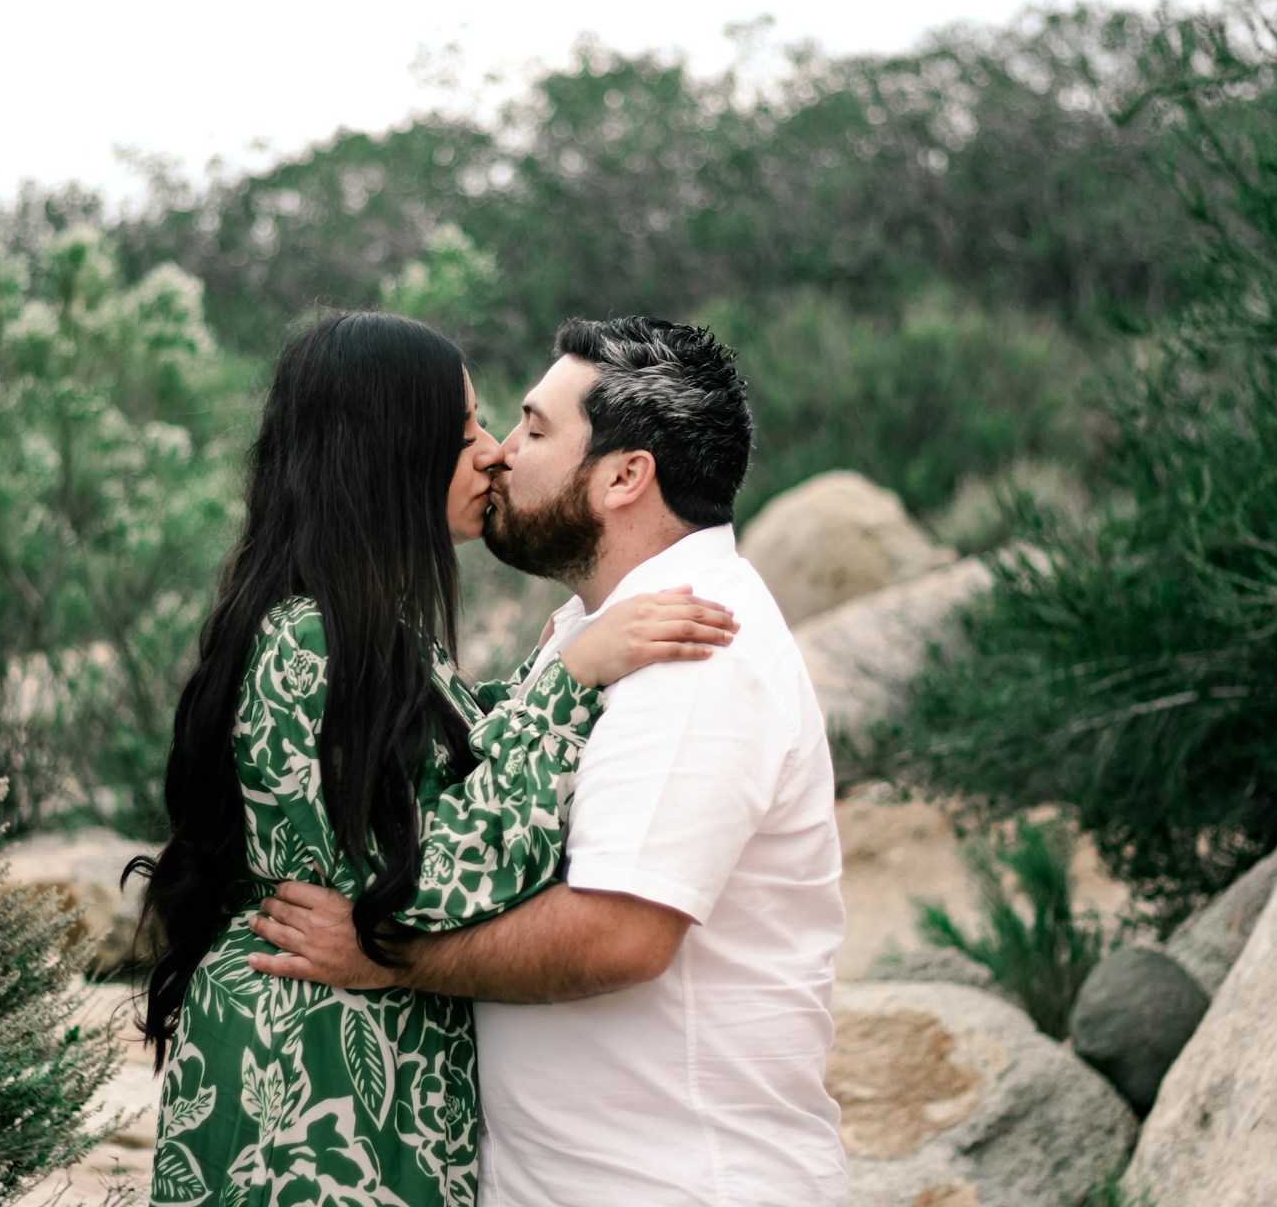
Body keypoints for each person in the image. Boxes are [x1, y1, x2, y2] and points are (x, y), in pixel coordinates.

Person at [127, 311, 741, 1207]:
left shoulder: (368, 632)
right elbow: (425, 880)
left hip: (362, 1057)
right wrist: (568, 679)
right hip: (311, 1075)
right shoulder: (309, 641)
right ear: (388, 460)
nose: (494, 453)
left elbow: (443, 759)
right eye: (464, 435)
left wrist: (546, 669)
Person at [250, 316, 850, 1206]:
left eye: (533, 428)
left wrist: (389, 956)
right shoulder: (598, 634)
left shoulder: (692, 652)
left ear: (622, 477)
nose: (500, 455)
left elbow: (622, 934)